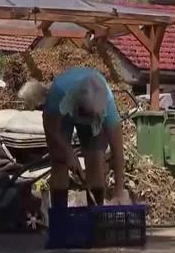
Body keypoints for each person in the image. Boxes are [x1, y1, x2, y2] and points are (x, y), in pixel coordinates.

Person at [19, 67, 128, 209]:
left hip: (94, 116)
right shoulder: (59, 93)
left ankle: (94, 218)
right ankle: (60, 217)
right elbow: (52, 128)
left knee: (96, 162)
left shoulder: (108, 108)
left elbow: (118, 152)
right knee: (59, 161)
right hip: (62, 118)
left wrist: (119, 192)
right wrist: (68, 153)